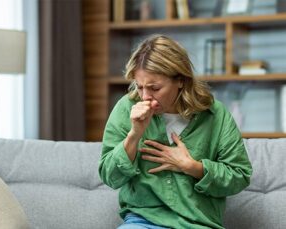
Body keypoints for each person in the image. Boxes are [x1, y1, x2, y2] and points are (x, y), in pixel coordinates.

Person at [99, 34, 252, 229]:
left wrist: (193, 167)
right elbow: (109, 177)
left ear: (180, 80)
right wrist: (134, 135)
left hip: (198, 224)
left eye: (155, 88)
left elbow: (239, 176)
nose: (145, 97)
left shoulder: (215, 115)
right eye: (139, 87)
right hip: (143, 222)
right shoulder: (126, 108)